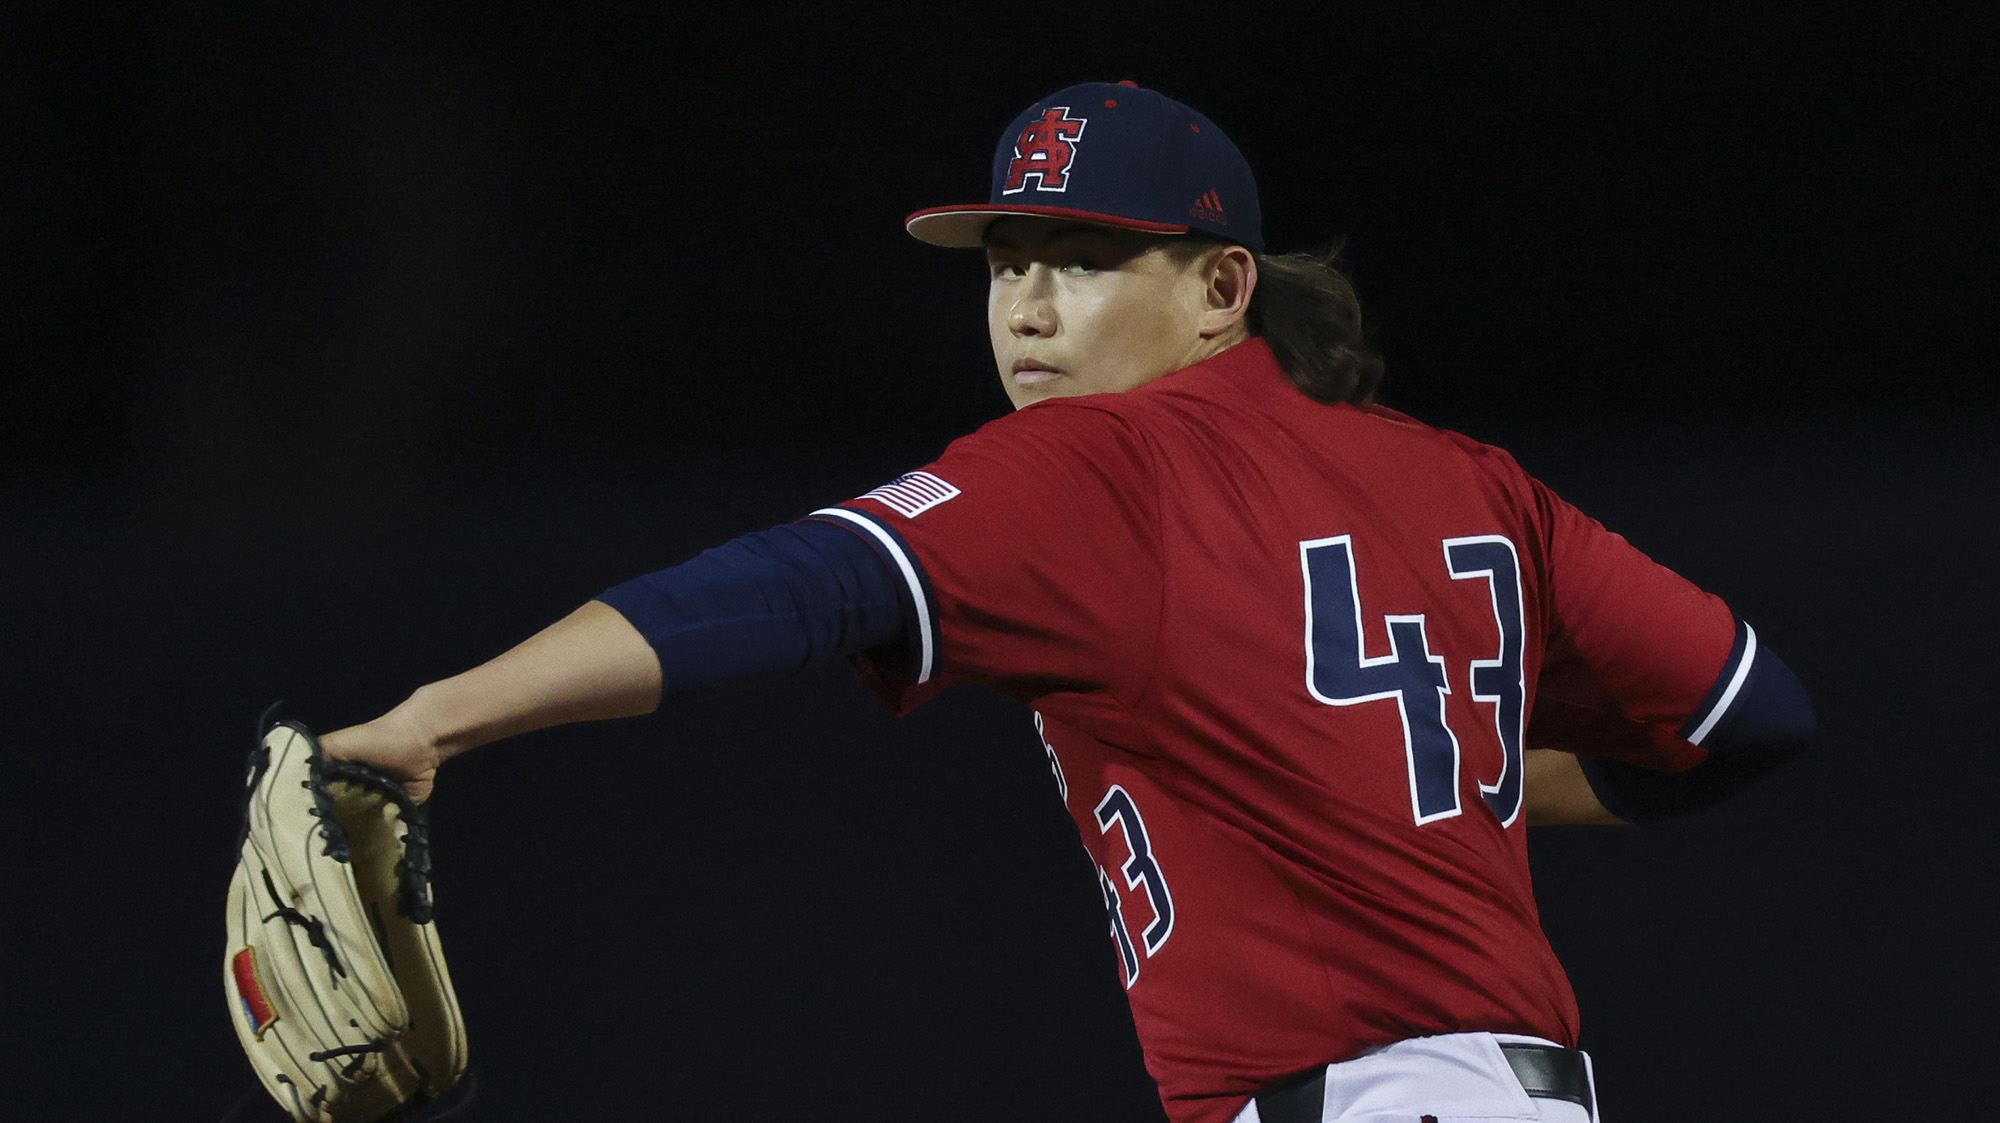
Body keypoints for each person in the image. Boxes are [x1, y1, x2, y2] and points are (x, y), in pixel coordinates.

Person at [321, 82, 1812, 1123]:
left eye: (1087, 261)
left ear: (1224, 288)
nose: (1029, 307)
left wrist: (434, 718)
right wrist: (1474, 791)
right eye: (1009, 262)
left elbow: (798, 584)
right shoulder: (1476, 481)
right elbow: (1749, 714)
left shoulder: (1106, 468)